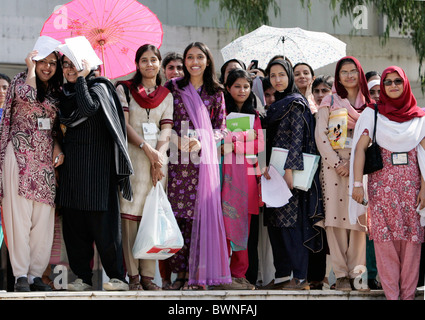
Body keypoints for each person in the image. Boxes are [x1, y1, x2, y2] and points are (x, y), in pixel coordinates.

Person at [56, 54, 133, 291]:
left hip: (97, 169)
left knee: (104, 228)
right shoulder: (62, 94)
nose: (70, 69)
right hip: (72, 170)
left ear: (87, 65)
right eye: (66, 64)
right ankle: (82, 277)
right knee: (74, 226)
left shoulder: (101, 87)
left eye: (76, 64)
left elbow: (88, 108)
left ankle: (118, 277)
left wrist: (81, 78)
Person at [350, 66, 425, 300]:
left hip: (413, 190)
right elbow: (360, 150)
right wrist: (357, 184)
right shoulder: (373, 113)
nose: (393, 86)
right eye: (388, 82)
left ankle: (408, 296)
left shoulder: (420, 117)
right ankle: (393, 297)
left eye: (397, 81)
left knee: (412, 244)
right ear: (382, 87)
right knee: (384, 244)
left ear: (405, 84)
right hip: (381, 189)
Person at [165, 42, 231, 290]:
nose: (194, 61)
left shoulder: (216, 92)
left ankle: (197, 275)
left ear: (207, 61)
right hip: (177, 162)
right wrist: (176, 139)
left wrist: (202, 140)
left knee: (199, 219)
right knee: (178, 218)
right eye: (189, 57)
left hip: (203, 164)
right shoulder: (173, 88)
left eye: (199, 57)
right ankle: (179, 274)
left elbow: (221, 129)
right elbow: (163, 118)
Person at [0, 47, 63, 292]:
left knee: (43, 220)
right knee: (19, 218)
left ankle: (36, 275)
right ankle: (20, 276)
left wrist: (58, 147)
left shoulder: (57, 92)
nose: (47, 67)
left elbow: (55, 128)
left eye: (52, 63)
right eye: (42, 62)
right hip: (18, 156)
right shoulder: (19, 81)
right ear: (33, 61)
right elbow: (27, 97)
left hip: (45, 162)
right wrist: (29, 68)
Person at [262, 59, 325, 290]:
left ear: (288, 76)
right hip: (271, 172)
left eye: (281, 74)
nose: (277, 79)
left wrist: (289, 171)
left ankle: (300, 278)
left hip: (289, 173)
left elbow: (296, 139)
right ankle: (282, 277)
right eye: (273, 75)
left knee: (290, 225)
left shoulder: (295, 103)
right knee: (275, 223)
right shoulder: (276, 104)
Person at [116, 44, 173, 291]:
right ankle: (134, 277)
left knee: (153, 215)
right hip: (132, 158)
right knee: (129, 217)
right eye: (144, 60)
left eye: (154, 60)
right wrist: (147, 150)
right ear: (137, 64)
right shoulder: (125, 89)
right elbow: (124, 125)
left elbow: (166, 128)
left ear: (159, 63)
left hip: (158, 164)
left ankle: (149, 277)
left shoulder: (167, 95)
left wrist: (158, 156)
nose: (149, 64)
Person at [315, 56, 371, 291]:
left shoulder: (369, 105)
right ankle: (340, 275)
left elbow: (372, 138)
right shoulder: (330, 100)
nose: (349, 76)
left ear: (359, 74)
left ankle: (358, 274)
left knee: (359, 218)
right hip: (332, 166)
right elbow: (321, 135)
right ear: (337, 77)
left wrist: (352, 164)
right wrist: (337, 162)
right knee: (335, 219)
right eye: (343, 72)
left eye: (353, 71)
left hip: (360, 165)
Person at [214, 69, 264, 290]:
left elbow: (259, 147)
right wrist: (243, 139)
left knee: (244, 226)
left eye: (246, 86)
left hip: (247, 177)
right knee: (223, 225)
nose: (242, 90)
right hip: (222, 176)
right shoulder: (220, 113)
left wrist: (232, 143)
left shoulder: (256, 116)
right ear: (227, 88)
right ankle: (221, 273)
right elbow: (215, 141)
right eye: (237, 86)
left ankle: (239, 274)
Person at [158, 51, 184, 289]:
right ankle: (164, 277)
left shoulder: (189, 92)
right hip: (162, 160)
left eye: (179, 67)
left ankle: (182, 275)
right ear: (163, 70)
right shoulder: (159, 93)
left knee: (182, 221)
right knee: (163, 218)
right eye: (171, 67)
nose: (175, 72)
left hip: (187, 163)